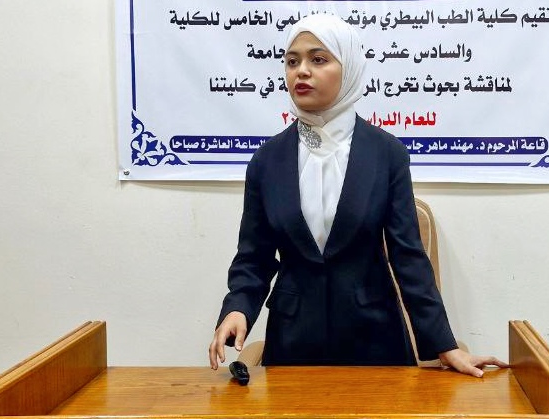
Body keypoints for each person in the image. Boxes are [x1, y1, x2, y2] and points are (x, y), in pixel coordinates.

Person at [210, 13, 504, 377]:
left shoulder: (386, 154)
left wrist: (445, 345)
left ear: (348, 68)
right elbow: (253, 257)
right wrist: (237, 308)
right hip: (293, 343)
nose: (302, 71)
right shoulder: (266, 161)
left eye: (318, 59)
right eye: (292, 61)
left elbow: (408, 257)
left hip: (375, 341)